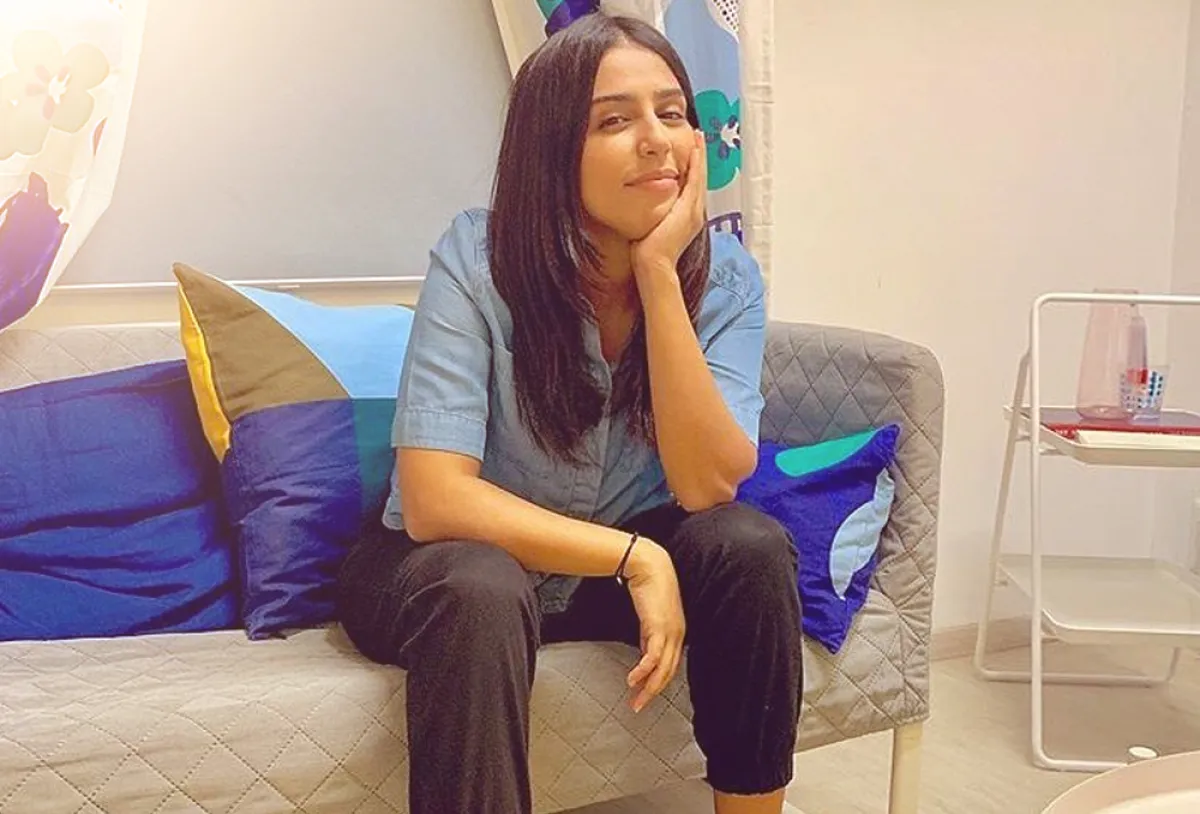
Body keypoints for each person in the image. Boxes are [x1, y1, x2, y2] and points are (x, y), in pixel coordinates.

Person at [337, 13, 803, 814]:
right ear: (552, 150)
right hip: (446, 571)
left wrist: (658, 276)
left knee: (749, 546)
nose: (656, 141)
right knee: (482, 585)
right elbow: (435, 499)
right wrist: (635, 558)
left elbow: (707, 486)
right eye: (614, 121)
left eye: (672, 113)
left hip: (598, 574)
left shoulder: (725, 280)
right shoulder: (479, 260)